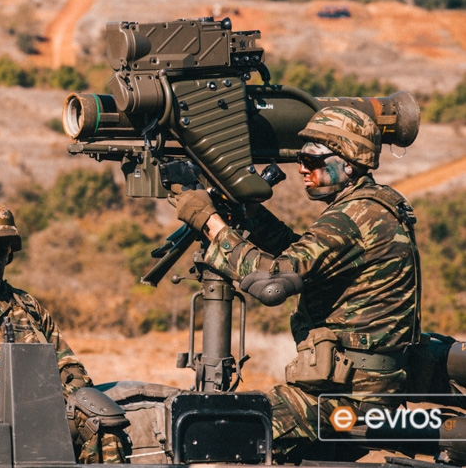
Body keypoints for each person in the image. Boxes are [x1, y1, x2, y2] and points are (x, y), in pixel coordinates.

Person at [174, 106, 421, 462]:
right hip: (363, 390)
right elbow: (302, 258)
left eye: (312, 160)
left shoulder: (350, 219)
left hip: (346, 399)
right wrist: (252, 215)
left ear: (349, 164)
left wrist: (210, 223)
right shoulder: (372, 207)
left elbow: (271, 284)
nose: (302, 168)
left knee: (215, 432)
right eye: (300, 158)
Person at [0, 197, 127, 463]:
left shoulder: (27, 306)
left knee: (102, 424)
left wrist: (65, 401)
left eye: (0, 249)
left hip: (37, 418)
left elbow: (68, 367)